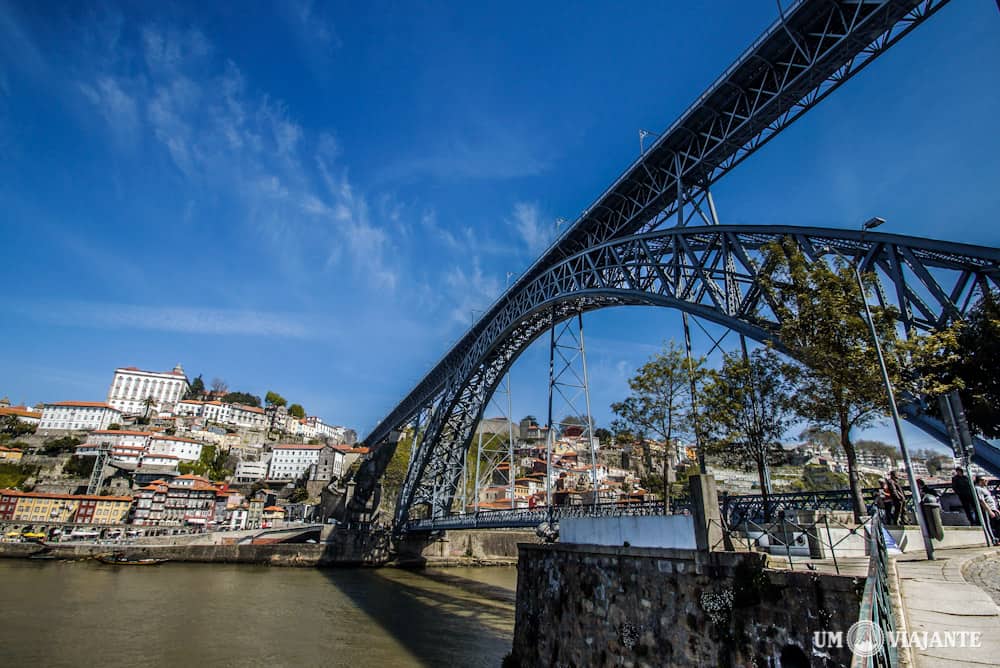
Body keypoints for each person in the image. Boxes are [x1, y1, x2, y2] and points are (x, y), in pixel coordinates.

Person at [974, 476, 1000, 546]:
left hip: (993, 509)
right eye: (985, 480)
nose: (987, 481)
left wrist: (996, 509)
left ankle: (997, 538)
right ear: (980, 481)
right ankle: (994, 540)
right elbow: (981, 500)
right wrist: (989, 511)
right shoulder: (978, 488)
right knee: (989, 525)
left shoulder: (984, 488)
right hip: (987, 509)